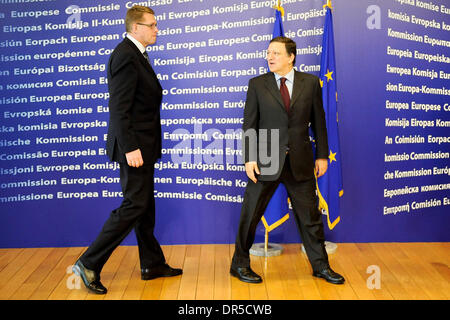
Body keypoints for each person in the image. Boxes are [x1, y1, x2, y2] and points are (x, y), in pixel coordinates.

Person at [73, 5, 182, 295]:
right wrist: (131, 147)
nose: (157, 29)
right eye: (153, 25)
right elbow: (118, 109)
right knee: (135, 204)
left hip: (143, 146)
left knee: (144, 205)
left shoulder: (137, 55)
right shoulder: (125, 55)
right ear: (136, 28)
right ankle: (88, 262)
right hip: (134, 148)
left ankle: (152, 263)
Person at [230, 36, 344, 285]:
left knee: (310, 218)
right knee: (250, 216)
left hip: (301, 161)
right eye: (268, 53)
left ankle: (321, 267)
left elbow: (319, 123)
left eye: (276, 53)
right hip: (265, 159)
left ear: (291, 56)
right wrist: (249, 158)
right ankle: (239, 265)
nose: (270, 57)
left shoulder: (311, 83)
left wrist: (322, 155)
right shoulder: (257, 84)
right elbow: (249, 124)